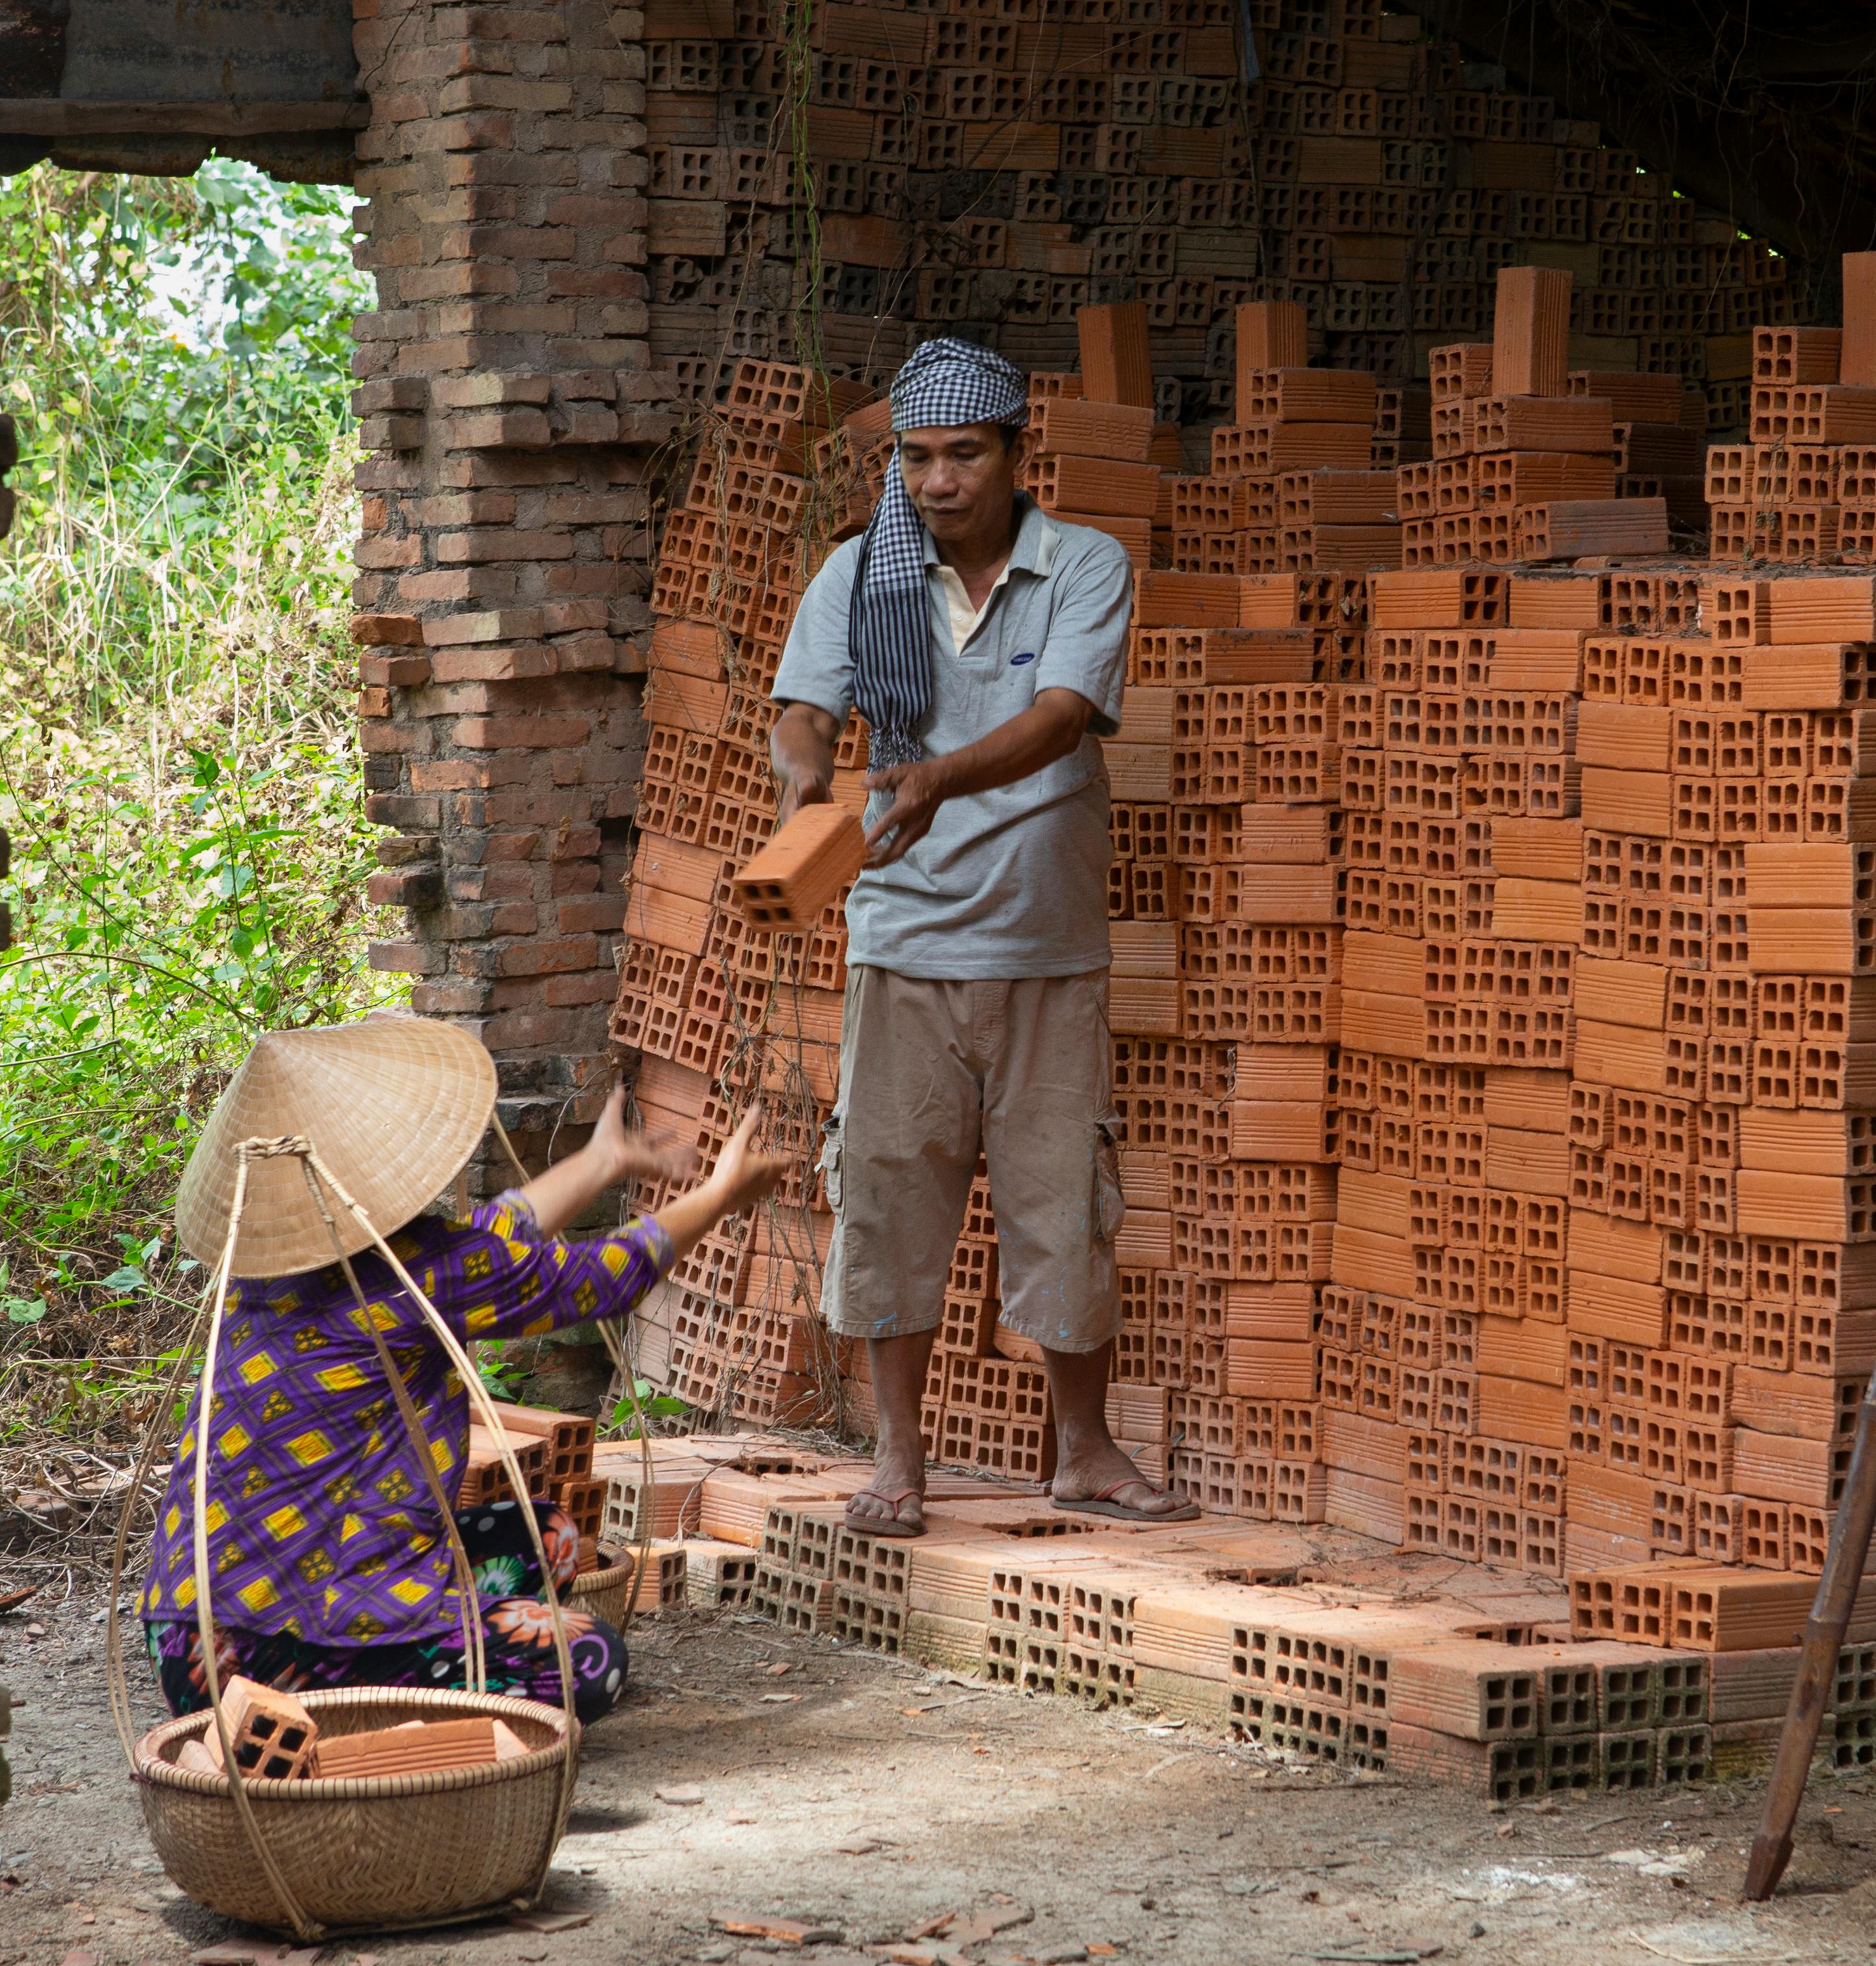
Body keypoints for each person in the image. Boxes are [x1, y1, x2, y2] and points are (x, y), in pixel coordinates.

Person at [769, 336, 1195, 1539]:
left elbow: (1061, 718)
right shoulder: (859, 576)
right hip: (900, 940)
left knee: (1063, 1202)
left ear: (1017, 453)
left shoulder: (1082, 568)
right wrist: (801, 783)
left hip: (1045, 940)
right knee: (891, 1197)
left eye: (965, 454)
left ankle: (1086, 1454)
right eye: (916, 458)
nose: (939, 480)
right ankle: (897, 1465)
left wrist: (937, 778)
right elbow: (805, 711)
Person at [139, 1016, 790, 1720]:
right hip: (268, 1654)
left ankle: (406, 1659)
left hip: (186, 1630)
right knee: (591, 1662)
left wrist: (601, 1161)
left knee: (547, 1538)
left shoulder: (267, 1268)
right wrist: (721, 1194)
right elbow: (603, 1279)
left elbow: (487, 1240)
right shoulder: (416, 1274)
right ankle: (365, 1710)